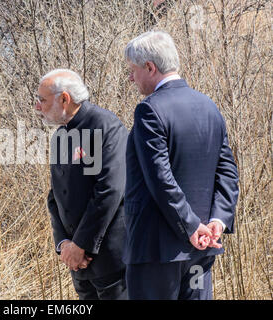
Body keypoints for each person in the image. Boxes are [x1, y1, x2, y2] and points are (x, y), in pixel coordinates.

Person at [123, 30, 239, 300]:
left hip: (157, 251)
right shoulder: (209, 106)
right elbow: (228, 172)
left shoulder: (149, 110)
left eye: (133, 70)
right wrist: (216, 222)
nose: (131, 78)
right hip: (202, 247)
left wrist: (191, 227)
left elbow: (160, 178)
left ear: (150, 67)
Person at [34, 69, 129, 300]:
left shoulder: (106, 126)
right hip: (77, 263)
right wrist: (64, 244)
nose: (38, 107)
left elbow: (110, 190)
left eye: (42, 100)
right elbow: (54, 195)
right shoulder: (59, 136)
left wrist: (81, 245)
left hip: (110, 261)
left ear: (64, 99)